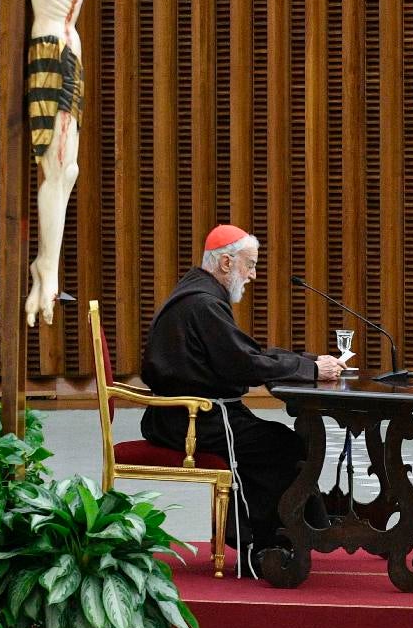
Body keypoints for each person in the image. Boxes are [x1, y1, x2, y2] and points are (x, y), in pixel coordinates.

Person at [141, 225, 344, 576]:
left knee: (278, 441)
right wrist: (309, 369)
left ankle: (279, 535)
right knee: (281, 445)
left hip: (189, 415)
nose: (252, 275)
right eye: (249, 265)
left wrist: (306, 361)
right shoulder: (203, 303)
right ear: (225, 262)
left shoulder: (200, 294)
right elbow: (244, 363)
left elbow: (242, 353)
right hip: (190, 421)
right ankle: (265, 544)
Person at [0, 0, 104, 328]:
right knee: (56, 166)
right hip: (51, 51)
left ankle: (48, 263)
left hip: (69, 54)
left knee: (70, 171)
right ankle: (47, 266)